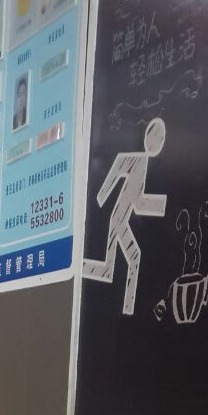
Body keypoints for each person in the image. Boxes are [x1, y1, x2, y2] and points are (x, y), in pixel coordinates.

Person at [82, 117, 167, 315]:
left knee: (112, 267)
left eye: (160, 140)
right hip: (118, 220)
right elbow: (117, 172)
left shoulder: (142, 163)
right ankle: (127, 308)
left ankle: (81, 269)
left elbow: (137, 201)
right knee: (128, 260)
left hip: (119, 219)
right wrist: (102, 196)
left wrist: (158, 205)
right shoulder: (136, 161)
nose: (157, 144)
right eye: (156, 139)